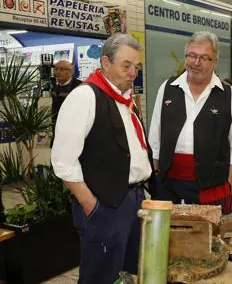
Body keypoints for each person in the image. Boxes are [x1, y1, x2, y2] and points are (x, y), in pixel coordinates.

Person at [51, 34, 152, 284]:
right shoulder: (84, 97)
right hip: (105, 206)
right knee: (101, 277)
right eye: (126, 66)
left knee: (127, 273)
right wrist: (92, 206)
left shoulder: (124, 99)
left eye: (136, 68)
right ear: (105, 63)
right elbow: (63, 162)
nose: (132, 73)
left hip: (133, 201)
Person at [149, 31, 232, 215]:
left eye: (204, 57)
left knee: (207, 238)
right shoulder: (167, 88)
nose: (196, 62)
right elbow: (155, 138)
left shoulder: (229, 95)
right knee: (169, 237)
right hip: (168, 186)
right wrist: (155, 177)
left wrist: (227, 184)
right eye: (192, 55)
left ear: (215, 61)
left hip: (211, 188)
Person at [51, 60, 82, 133]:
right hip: (57, 129)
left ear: (71, 72)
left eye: (62, 69)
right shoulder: (55, 88)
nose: (58, 72)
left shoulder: (80, 87)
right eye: (56, 69)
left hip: (74, 130)